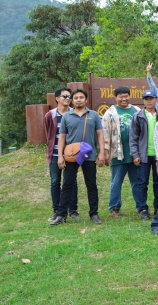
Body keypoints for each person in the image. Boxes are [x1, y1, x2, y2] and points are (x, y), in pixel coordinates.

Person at [51, 89, 106, 225]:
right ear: (72, 100)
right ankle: (61, 214)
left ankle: (94, 214)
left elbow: (100, 134)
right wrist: (60, 156)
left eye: (81, 97)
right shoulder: (67, 116)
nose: (78, 100)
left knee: (91, 185)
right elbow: (62, 137)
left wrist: (102, 153)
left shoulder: (93, 115)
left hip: (89, 155)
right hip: (71, 155)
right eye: (75, 98)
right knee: (67, 184)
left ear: (86, 100)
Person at [102, 86, 141, 218]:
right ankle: (114, 207)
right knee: (116, 182)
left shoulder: (137, 111)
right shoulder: (110, 113)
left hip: (135, 154)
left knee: (137, 182)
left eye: (126, 96)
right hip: (117, 153)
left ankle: (141, 207)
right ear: (115, 98)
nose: (124, 99)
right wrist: (106, 151)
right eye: (121, 96)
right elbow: (105, 133)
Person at [44, 87, 79, 221]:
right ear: (57, 98)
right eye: (65, 96)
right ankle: (57, 210)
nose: (67, 99)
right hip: (54, 154)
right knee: (55, 182)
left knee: (72, 181)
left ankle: (73, 210)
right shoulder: (50, 115)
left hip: (71, 154)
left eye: (69, 96)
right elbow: (48, 134)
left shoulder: (74, 113)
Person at [129, 90, 158, 220]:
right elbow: (133, 137)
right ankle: (143, 209)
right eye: (146, 99)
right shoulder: (138, 116)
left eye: (151, 98)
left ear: (156, 99)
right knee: (142, 183)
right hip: (143, 156)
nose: (149, 101)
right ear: (143, 101)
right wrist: (135, 155)